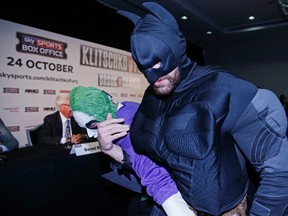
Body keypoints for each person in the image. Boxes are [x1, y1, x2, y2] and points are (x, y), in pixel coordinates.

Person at [116, 2, 288, 216]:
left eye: (157, 64)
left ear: (176, 51)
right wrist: (115, 152)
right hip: (171, 206)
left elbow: (280, 173)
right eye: (143, 68)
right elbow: (149, 160)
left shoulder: (227, 91)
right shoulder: (153, 97)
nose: (152, 77)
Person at [69, 86, 194, 216]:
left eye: (93, 126)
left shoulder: (125, 127)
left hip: (168, 191)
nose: (91, 134)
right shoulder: (127, 107)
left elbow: (155, 176)